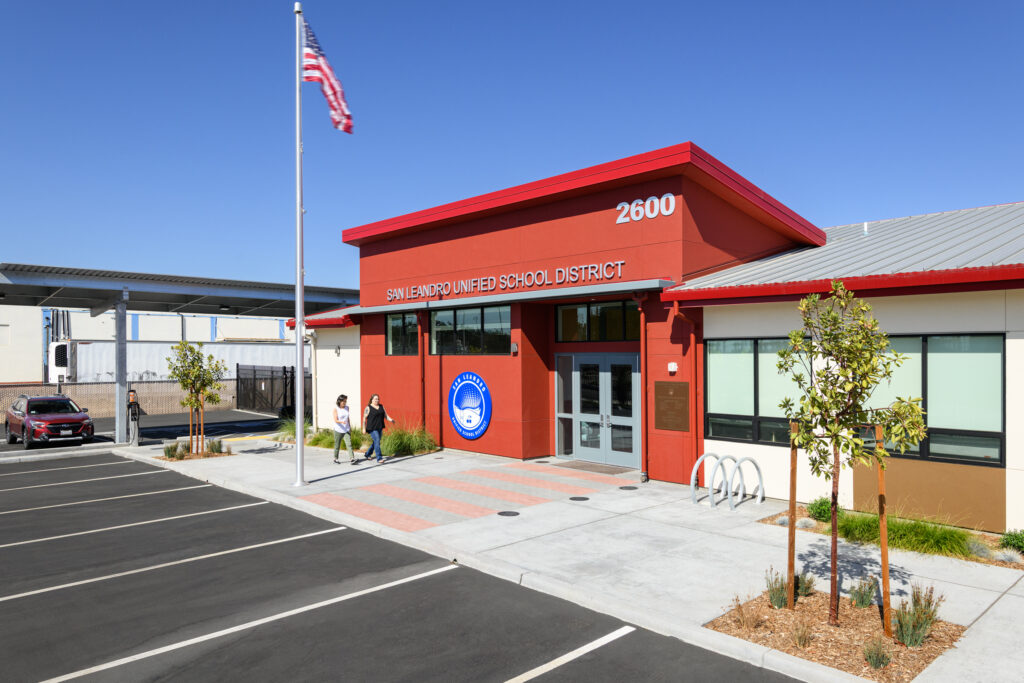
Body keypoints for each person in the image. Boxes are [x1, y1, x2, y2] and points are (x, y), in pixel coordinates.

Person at [363, 393, 395, 463]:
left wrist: (391, 420)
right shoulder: (368, 407)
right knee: (377, 440)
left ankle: (368, 454)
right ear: (372, 400)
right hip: (372, 428)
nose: (377, 400)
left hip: (379, 427)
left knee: (376, 442)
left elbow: (386, 416)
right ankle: (379, 458)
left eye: (378, 399)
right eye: (375, 399)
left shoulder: (381, 406)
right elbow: (364, 418)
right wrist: (363, 428)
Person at [332, 395, 355, 465]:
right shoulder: (336, 409)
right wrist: (342, 422)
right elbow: (335, 420)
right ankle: (335, 459)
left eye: (345, 401)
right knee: (337, 445)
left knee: (349, 444)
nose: (345, 403)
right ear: (339, 401)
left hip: (346, 429)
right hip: (338, 429)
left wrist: (350, 427)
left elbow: (348, 418)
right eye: (343, 401)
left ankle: (352, 459)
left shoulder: (347, 408)